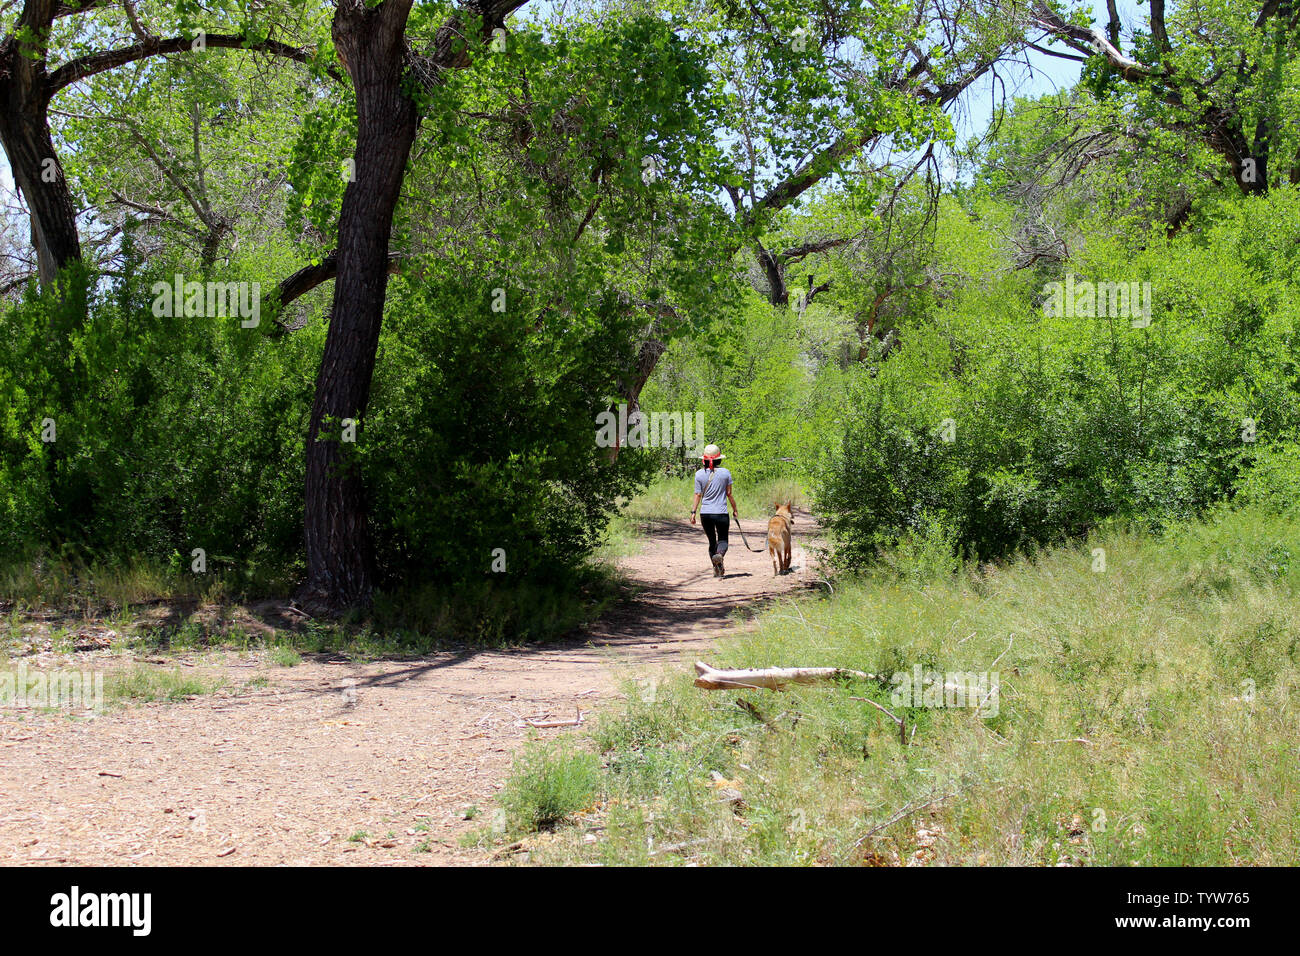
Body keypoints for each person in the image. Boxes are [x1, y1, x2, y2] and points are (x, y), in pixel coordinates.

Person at [689, 443, 739, 577]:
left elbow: (697, 494)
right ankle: (719, 555)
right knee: (723, 540)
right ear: (719, 459)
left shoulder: (699, 474)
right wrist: (735, 509)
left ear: (704, 460)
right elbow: (729, 494)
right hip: (721, 513)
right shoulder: (725, 473)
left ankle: (717, 569)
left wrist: (693, 512)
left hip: (705, 514)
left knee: (712, 541)